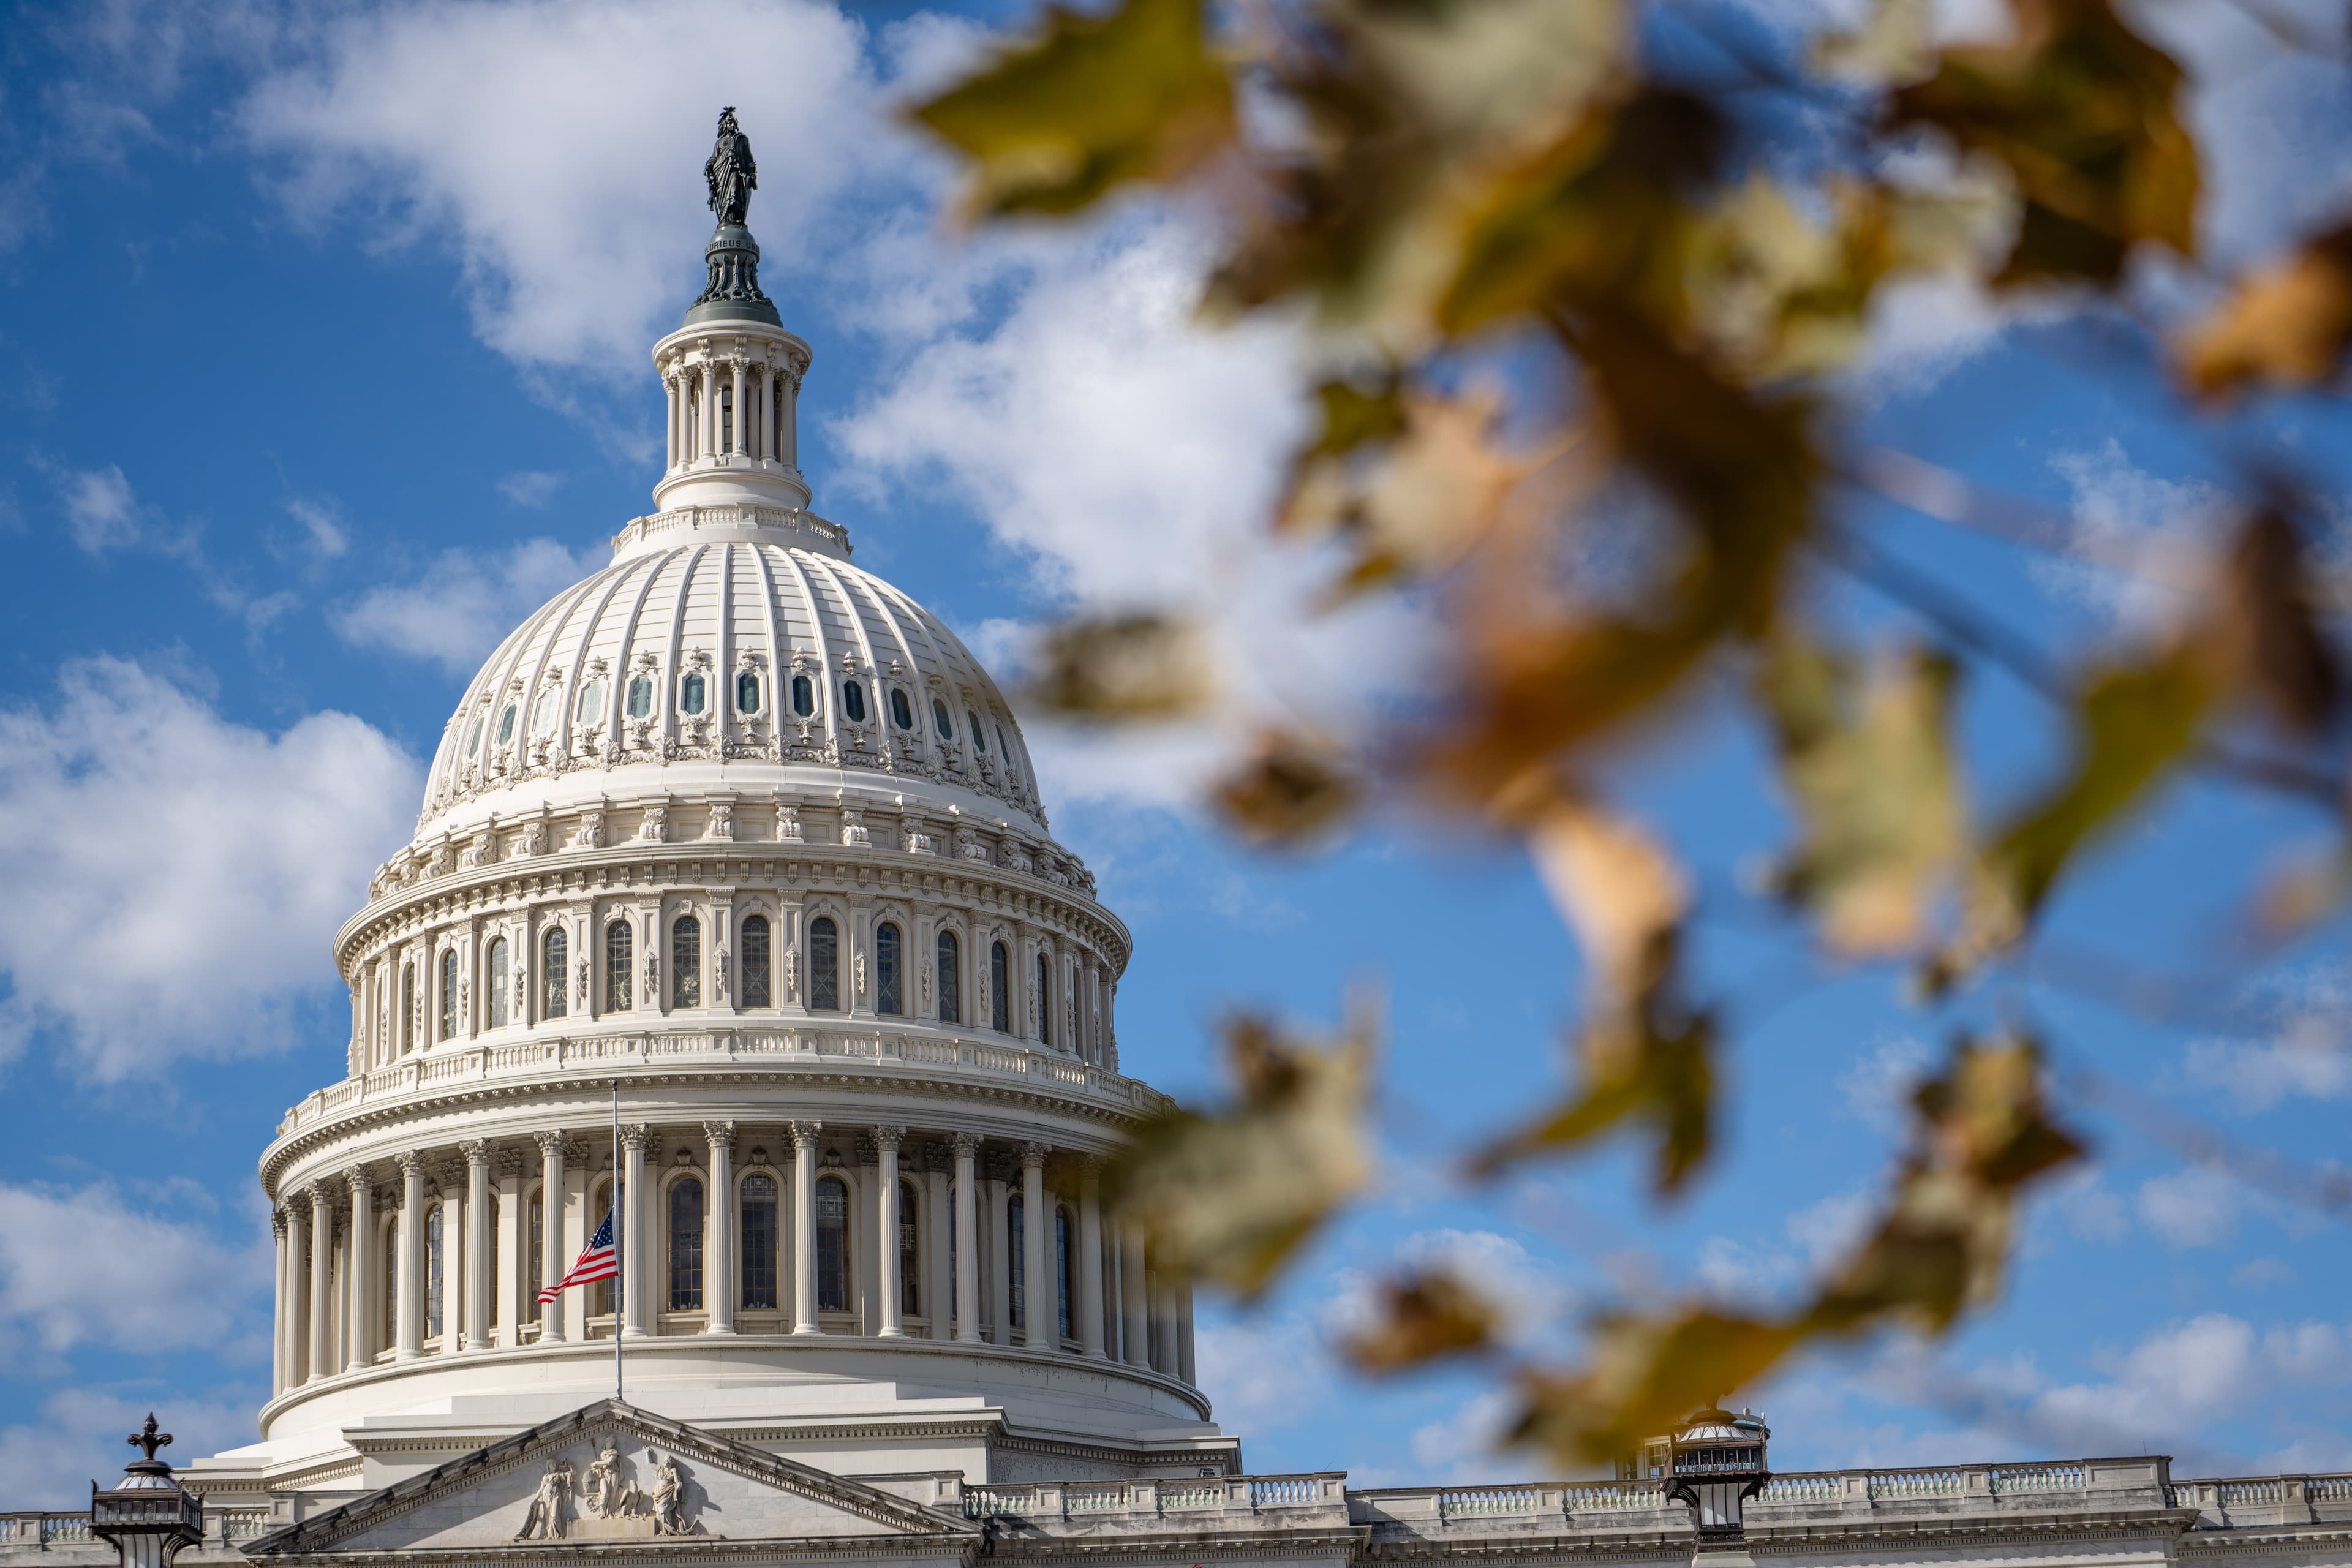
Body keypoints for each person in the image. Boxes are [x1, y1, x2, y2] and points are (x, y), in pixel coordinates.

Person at [704, 107, 756, 227]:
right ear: (725, 125)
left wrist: (752, 172)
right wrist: (709, 165)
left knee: (735, 189)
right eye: (729, 123)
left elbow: (749, 159)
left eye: (734, 123)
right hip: (721, 175)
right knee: (723, 198)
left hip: (736, 170)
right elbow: (714, 158)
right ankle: (726, 219)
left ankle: (735, 218)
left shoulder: (741, 140)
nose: (732, 125)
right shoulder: (720, 143)